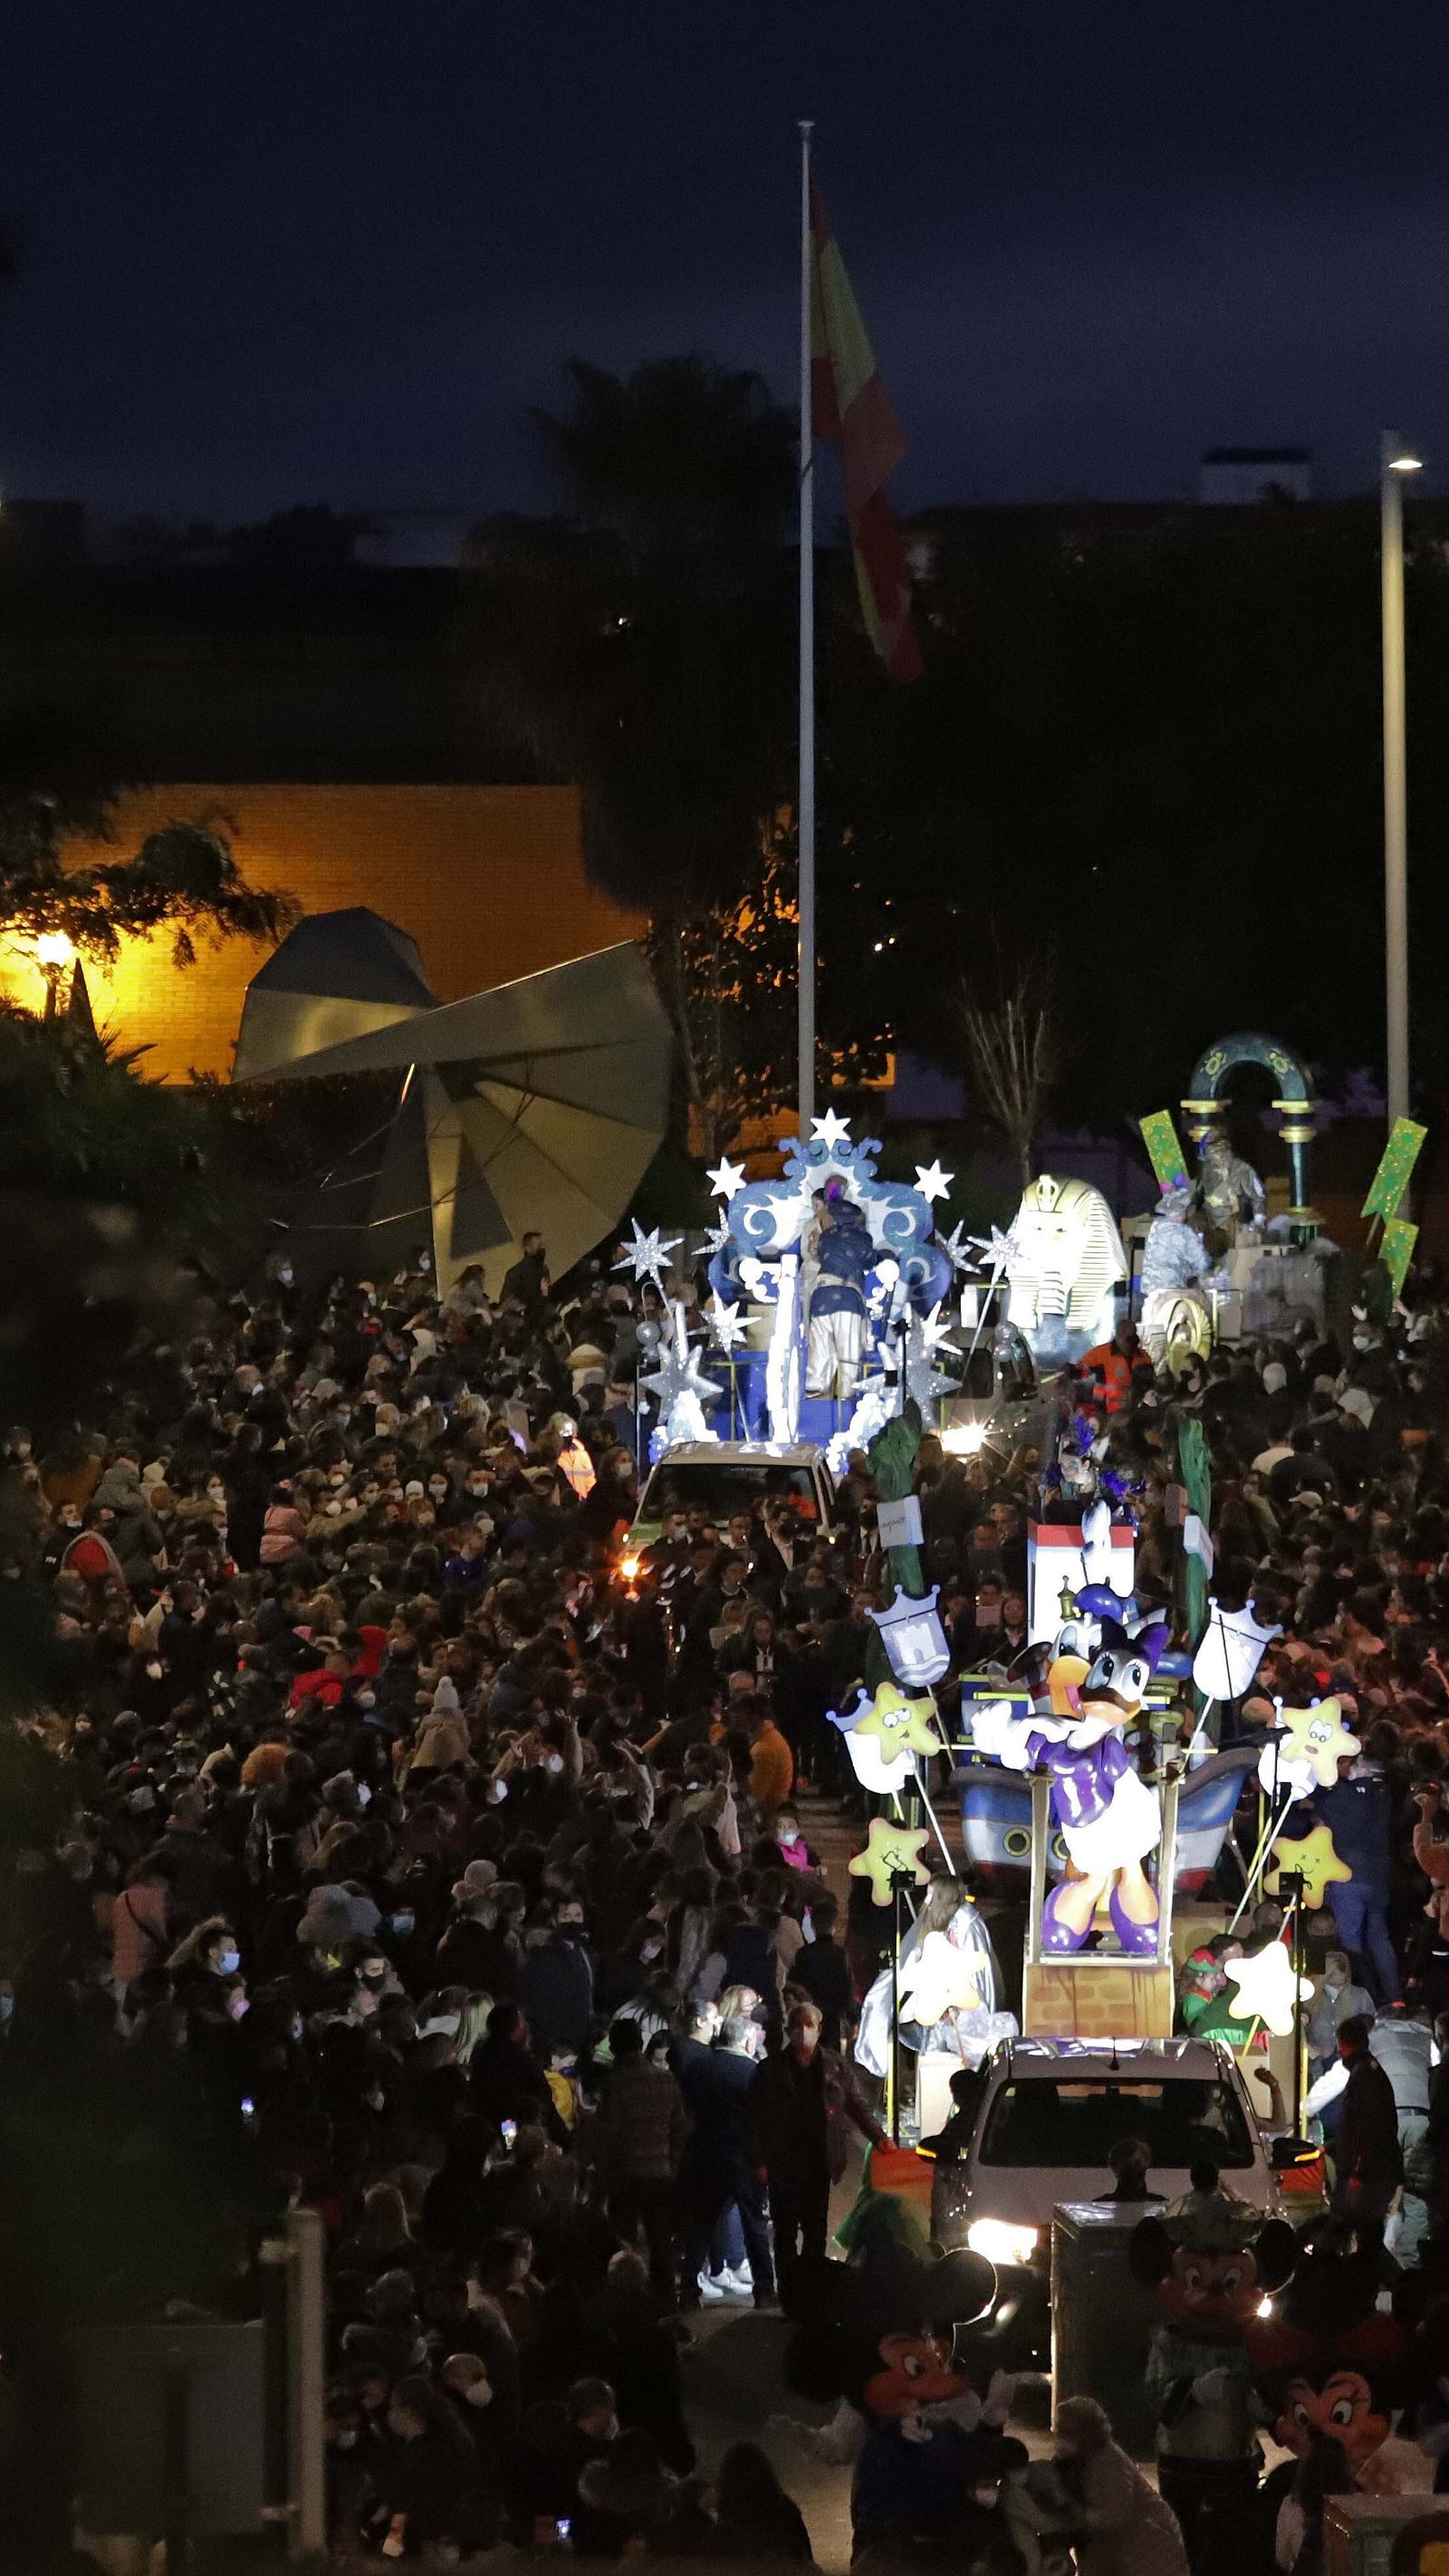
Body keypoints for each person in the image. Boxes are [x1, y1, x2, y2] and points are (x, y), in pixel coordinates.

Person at [749, 2002, 887, 2312]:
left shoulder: (835, 2067)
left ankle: (812, 2297)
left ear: (819, 2029)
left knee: (815, 2234)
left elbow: (857, 2106)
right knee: (784, 2235)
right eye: (796, 2026)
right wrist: (759, 2161)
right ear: (787, 2031)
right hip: (784, 2164)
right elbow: (755, 2120)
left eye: (808, 2025)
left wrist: (880, 2140)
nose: (802, 2032)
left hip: (819, 2163)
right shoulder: (770, 2071)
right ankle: (788, 2297)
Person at [599, 2016, 686, 2313]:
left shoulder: (615, 2083)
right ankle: (666, 2307)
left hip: (625, 2175)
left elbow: (609, 2133)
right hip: (659, 2173)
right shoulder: (666, 2079)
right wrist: (672, 2164)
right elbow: (680, 2128)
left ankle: (629, 2304)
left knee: (623, 2242)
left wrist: (601, 2176)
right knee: (661, 2244)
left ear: (614, 2046)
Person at [1053, 2394, 1190, 2576]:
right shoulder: (1077, 2463)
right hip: (1124, 2552)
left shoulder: (1109, 2462)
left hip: (1149, 2552)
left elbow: (1117, 2513)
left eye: (1067, 2433)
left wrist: (1081, 2518)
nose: (1059, 2441)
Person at [1330, 2012, 1403, 2233]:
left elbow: (1367, 2127)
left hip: (1366, 2174)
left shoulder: (1363, 2075)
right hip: (1375, 2169)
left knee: (1360, 2229)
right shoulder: (1370, 2070)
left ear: (1342, 2044)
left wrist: (1358, 2170)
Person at [714, 2441, 814, 2562]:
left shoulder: (726, 2518)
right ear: (766, 2473)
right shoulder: (786, 2509)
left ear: (725, 2481)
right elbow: (807, 2559)